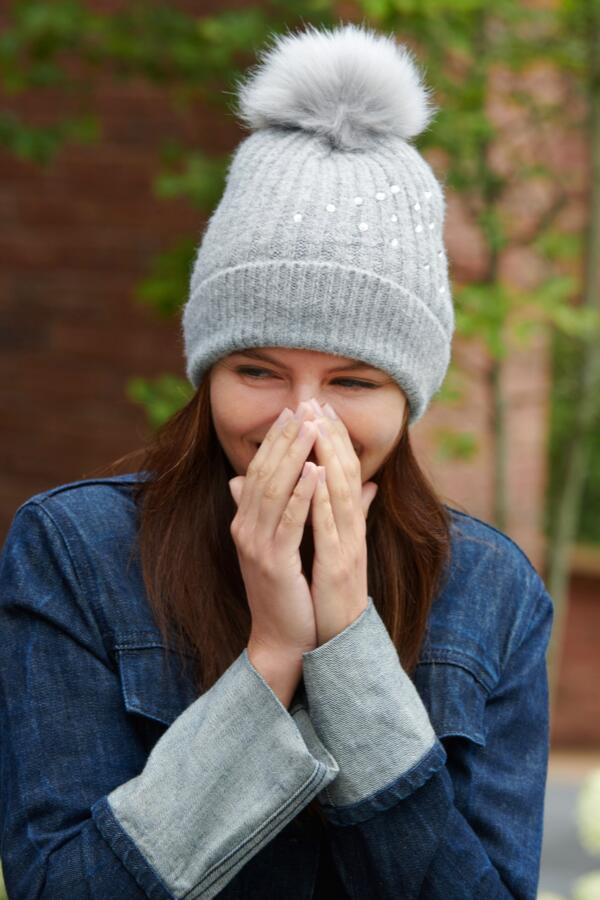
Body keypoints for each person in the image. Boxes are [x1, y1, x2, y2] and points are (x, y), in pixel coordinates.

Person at [0, 21, 553, 900]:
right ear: (205, 371)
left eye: (353, 380)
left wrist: (347, 649)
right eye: (257, 369)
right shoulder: (74, 552)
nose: (301, 419)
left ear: (407, 397)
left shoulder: (492, 590)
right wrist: (271, 657)